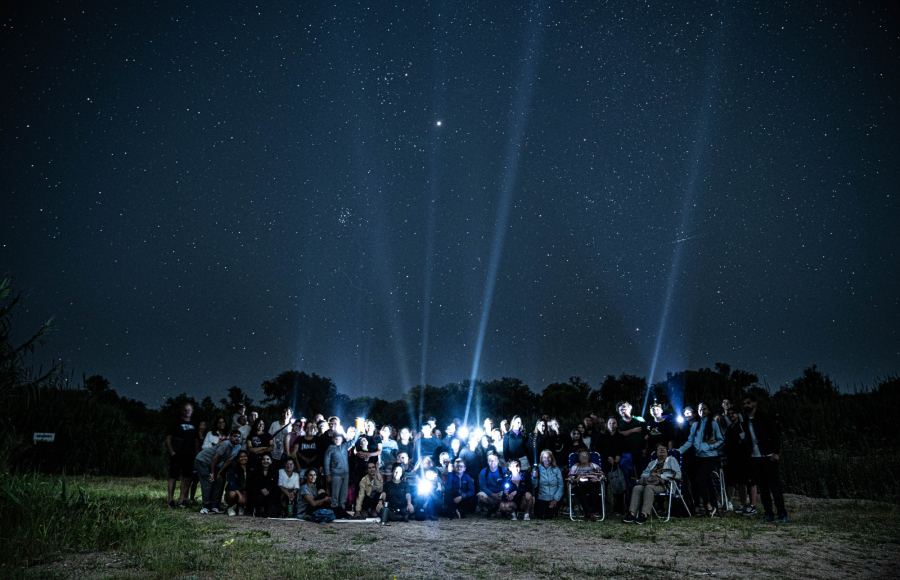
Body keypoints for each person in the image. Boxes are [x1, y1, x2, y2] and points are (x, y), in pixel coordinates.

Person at [743, 394, 787, 522]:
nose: (746, 405)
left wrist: (775, 452)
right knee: (763, 488)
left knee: (775, 486)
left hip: (768, 456)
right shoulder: (746, 420)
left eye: (748, 403)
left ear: (755, 403)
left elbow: (775, 435)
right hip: (756, 457)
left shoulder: (763, 417)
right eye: (745, 403)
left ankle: (782, 513)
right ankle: (769, 513)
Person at [677, 402, 724, 517]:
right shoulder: (695, 425)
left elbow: (721, 440)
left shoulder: (713, 424)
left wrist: (709, 447)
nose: (702, 411)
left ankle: (708, 505)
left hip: (710, 456)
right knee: (707, 482)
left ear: (709, 410)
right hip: (699, 457)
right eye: (700, 409)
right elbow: (690, 441)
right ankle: (713, 509)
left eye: (705, 409)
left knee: (700, 479)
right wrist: (679, 451)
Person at [623, 444, 681, 524]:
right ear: (656, 453)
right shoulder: (653, 463)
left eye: (664, 448)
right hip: (650, 483)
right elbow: (643, 475)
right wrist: (651, 474)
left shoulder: (671, 460)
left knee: (649, 487)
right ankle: (632, 514)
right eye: (660, 449)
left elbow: (678, 475)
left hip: (665, 485)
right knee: (637, 488)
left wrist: (660, 475)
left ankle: (644, 514)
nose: (662, 450)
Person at [194, 429, 243, 514]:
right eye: (235, 436)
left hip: (215, 464)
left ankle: (214, 506)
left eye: (239, 437)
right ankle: (205, 506)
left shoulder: (238, 447)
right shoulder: (225, 444)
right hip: (203, 460)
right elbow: (215, 459)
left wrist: (219, 473)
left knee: (219, 481)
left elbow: (228, 461)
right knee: (208, 481)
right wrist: (213, 473)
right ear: (230, 437)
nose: (237, 438)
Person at [723, 407, 757, 516]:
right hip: (734, 459)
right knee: (741, 482)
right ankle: (744, 504)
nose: (731, 415)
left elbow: (749, 439)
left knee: (750, 481)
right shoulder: (729, 428)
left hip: (745, 458)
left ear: (738, 414)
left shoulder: (743, 425)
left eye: (733, 413)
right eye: (729, 414)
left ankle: (753, 505)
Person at [165, 402, 199, 509]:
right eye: (185, 409)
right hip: (177, 454)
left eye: (189, 410)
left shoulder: (194, 424)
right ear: (182, 411)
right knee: (173, 477)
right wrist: (172, 452)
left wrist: (196, 455)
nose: (187, 411)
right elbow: (168, 438)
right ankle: (170, 500)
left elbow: (196, 441)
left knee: (186, 478)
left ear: (192, 411)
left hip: (189, 455)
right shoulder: (176, 422)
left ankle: (181, 500)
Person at [595, 417, 627, 515]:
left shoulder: (620, 437)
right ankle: (601, 509)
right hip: (604, 464)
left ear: (617, 425)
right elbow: (598, 448)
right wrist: (607, 456)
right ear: (607, 424)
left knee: (617, 487)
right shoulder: (602, 436)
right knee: (602, 486)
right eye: (610, 423)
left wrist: (618, 455)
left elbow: (623, 448)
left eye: (614, 423)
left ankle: (618, 509)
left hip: (616, 465)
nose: (612, 425)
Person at [324, 431, 357, 510]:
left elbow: (354, 440)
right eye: (336, 438)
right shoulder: (330, 448)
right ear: (333, 440)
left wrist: (357, 430)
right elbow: (326, 462)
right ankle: (334, 508)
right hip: (336, 474)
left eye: (339, 438)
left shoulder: (345, 446)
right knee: (335, 493)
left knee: (344, 493)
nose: (337, 440)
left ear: (342, 439)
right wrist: (327, 475)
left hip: (346, 474)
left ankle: (342, 509)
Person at [616, 401, 647, 484]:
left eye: (624, 409)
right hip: (626, 453)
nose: (622, 411)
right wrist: (633, 430)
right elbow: (620, 434)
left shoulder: (639, 419)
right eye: (620, 410)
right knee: (628, 476)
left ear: (630, 408)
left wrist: (646, 448)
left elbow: (647, 434)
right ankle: (630, 494)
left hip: (639, 452)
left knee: (641, 473)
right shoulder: (618, 423)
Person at [568, 449, 604, 521]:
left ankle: (587, 513)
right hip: (580, 484)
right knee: (579, 489)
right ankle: (590, 513)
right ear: (578, 458)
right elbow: (570, 478)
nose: (583, 457)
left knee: (595, 490)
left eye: (585, 456)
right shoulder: (575, 467)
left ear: (588, 457)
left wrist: (598, 478)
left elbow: (602, 475)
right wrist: (576, 479)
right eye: (581, 456)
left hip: (592, 484)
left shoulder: (594, 466)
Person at [534, 450, 563, 520]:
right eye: (544, 457)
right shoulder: (537, 469)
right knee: (542, 516)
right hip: (542, 497)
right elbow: (534, 485)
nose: (546, 459)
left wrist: (556, 499)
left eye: (548, 457)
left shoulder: (556, 470)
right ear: (541, 458)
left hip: (554, 497)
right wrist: (534, 477)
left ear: (551, 458)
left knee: (550, 516)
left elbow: (561, 485)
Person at [224, 450, 250, 516]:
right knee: (233, 494)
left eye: (245, 456)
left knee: (246, 497)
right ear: (238, 459)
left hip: (244, 490)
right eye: (241, 457)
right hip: (233, 490)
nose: (243, 458)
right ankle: (230, 507)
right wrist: (240, 495)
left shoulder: (250, 468)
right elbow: (232, 484)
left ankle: (240, 506)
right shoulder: (234, 469)